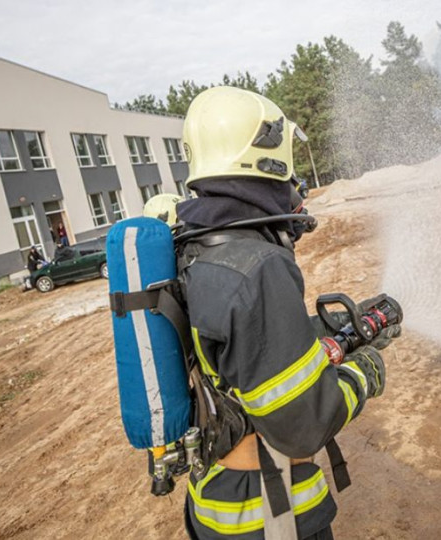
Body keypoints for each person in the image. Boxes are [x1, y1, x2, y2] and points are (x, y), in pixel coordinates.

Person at [168, 86, 398, 540]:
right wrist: (364, 370)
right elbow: (303, 425)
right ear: (267, 155)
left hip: (219, 499)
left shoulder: (198, 246)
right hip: (270, 514)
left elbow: (236, 354)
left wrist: (329, 333)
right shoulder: (257, 265)